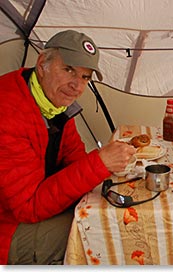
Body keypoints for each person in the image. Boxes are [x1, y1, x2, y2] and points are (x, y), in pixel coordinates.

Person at [0, 30, 136, 264]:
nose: (77, 86)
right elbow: (28, 207)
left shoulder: (53, 104)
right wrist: (99, 163)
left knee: (113, 213)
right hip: (8, 229)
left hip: (28, 213)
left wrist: (102, 166)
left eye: (85, 77)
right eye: (68, 70)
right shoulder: (8, 112)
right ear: (42, 63)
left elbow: (74, 159)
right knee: (102, 231)